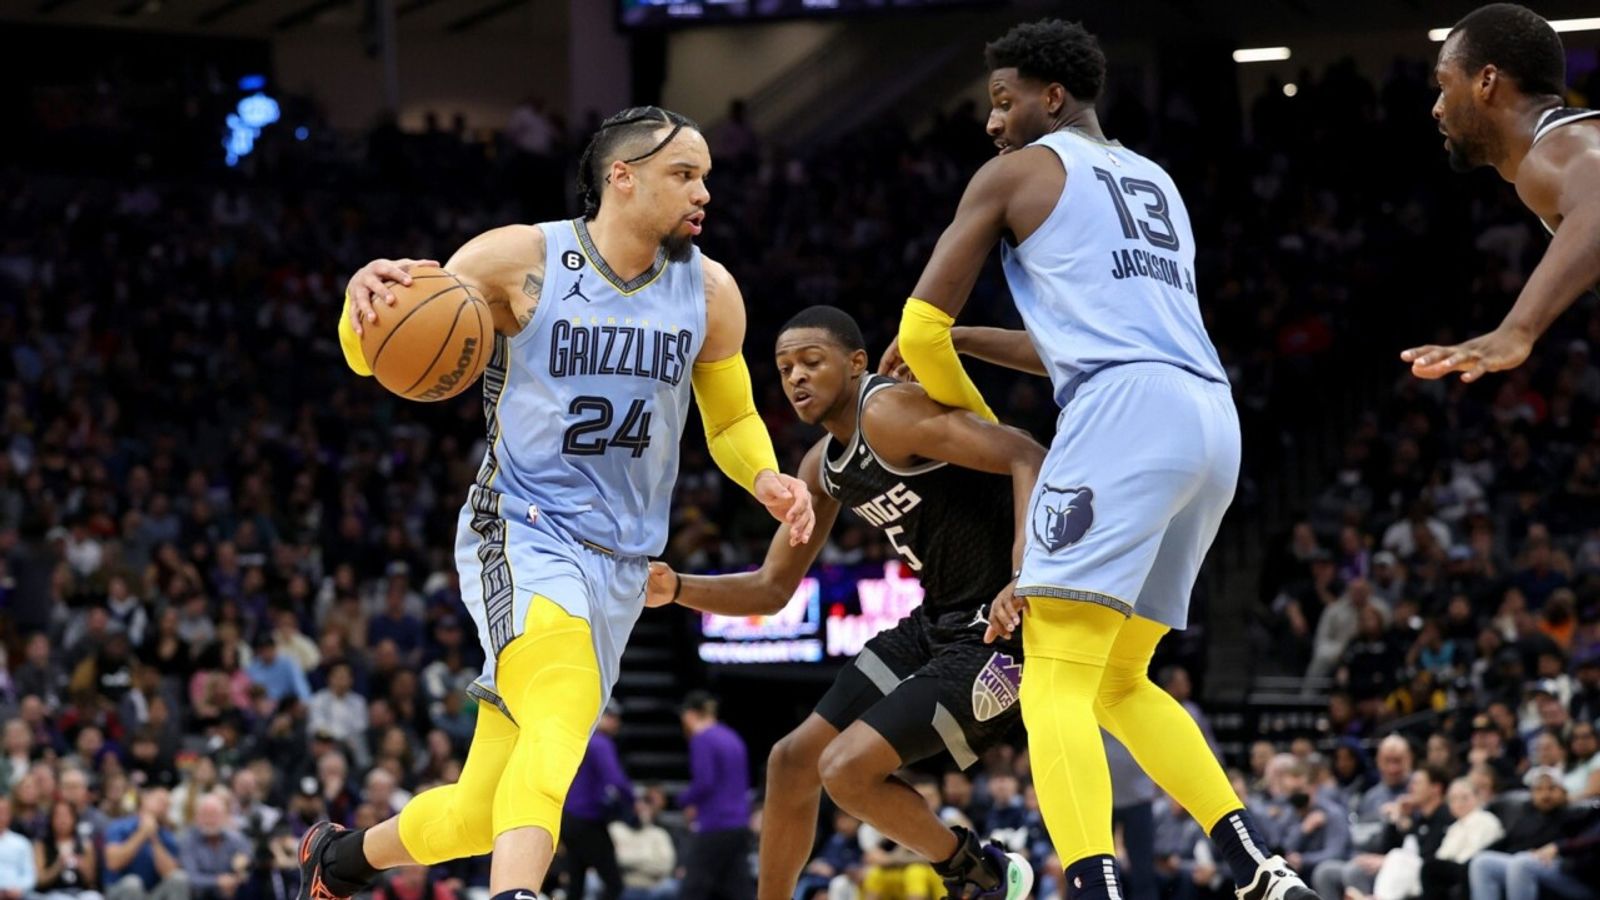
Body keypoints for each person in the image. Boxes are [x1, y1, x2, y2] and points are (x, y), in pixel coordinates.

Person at [299, 106, 815, 900]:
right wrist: (359, 299)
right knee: (565, 695)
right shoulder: (520, 259)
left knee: (483, 810)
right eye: (684, 174)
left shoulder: (710, 291)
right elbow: (384, 344)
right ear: (622, 176)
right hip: (523, 526)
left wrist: (765, 477)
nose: (703, 192)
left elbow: (731, 418)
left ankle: (337, 862)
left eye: (706, 176)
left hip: (622, 562)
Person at [886, 18, 1308, 900]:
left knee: (1052, 676)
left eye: (1003, 101)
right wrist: (973, 340)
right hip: (1207, 417)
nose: (992, 121)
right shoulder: (1156, 181)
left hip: (1122, 420)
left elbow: (916, 330)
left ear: (1052, 96)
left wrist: (987, 438)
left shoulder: (1013, 174)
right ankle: (1256, 868)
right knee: (1119, 678)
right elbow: (1082, 344)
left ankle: (1091, 886)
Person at [649, 305, 1044, 898]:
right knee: (790, 762)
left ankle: (978, 874)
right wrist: (677, 587)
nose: (796, 377)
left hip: (998, 628)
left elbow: (1026, 454)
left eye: (812, 361)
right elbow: (771, 588)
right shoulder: (821, 467)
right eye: (785, 369)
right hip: (936, 621)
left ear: (857, 363)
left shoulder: (887, 412)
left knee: (845, 771)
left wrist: (1024, 573)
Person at [1401, 3, 1600, 382]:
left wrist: (1516, 329)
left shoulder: (1555, 149)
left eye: (1444, 85)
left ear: (1486, 81)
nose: (1437, 108)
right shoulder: (1567, 144)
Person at [675, 692, 753, 900]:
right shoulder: (732, 737)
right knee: (739, 891)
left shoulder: (702, 739)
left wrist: (683, 800)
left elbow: (704, 782)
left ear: (690, 715)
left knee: (692, 890)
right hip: (739, 823)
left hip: (715, 823)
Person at [562, 700, 632, 900]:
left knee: (576, 885)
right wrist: (632, 801)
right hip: (586, 819)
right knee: (614, 884)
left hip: (569, 818)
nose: (617, 723)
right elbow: (615, 780)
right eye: (612, 717)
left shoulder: (582, 739)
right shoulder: (600, 742)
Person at [103, 788, 189, 900]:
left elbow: (169, 872)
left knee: (179, 878)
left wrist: (154, 838)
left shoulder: (167, 836)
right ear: (145, 799)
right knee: (133, 883)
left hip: (152, 893)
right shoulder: (119, 826)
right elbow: (113, 864)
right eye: (160, 801)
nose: (164, 806)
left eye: (167, 805)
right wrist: (142, 833)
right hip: (120, 890)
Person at [177, 795, 251, 900]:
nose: (209, 820)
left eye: (214, 815)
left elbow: (249, 864)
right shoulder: (188, 840)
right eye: (205, 815)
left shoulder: (236, 839)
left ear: (224, 817)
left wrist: (240, 872)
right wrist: (218, 881)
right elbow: (190, 878)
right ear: (196, 818)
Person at [34, 799, 102, 900]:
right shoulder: (42, 845)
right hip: (53, 893)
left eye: (66, 816)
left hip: (80, 892)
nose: (62, 820)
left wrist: (81, 865)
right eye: (58, 816)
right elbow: (39, 880)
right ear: (51, 819)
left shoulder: (85, 844)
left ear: (74, 818)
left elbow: (92, 880)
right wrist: (57, 867)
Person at [0, 796, 37, 900]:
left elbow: (30, 875)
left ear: (10, 815)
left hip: (17, 895)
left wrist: (19, 889)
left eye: (3, 812)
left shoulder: (21, 842)